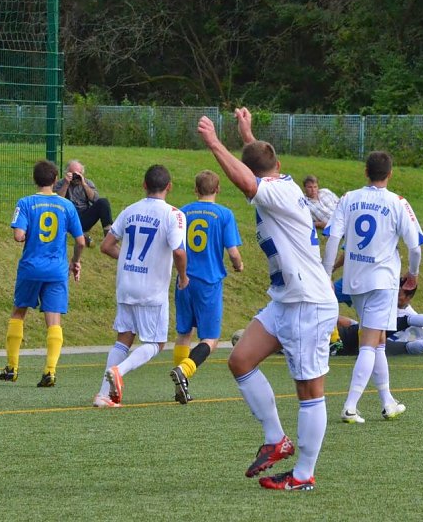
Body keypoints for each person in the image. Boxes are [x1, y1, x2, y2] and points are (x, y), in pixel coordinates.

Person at [197, 108, 338, 492]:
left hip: (309, 302)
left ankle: (303, 475)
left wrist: (213, 143)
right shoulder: (278, 178)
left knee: (309, 390)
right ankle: (277, 439)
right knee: (240, 360)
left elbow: (248, 181)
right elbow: (257, 166)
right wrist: (248, 134)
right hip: (285, 300)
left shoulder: (276, 190)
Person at [322, 150, 423, 425]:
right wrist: (413, 274)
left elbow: (333, 237)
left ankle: (387, 401)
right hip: (382, 282)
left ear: (365, 172)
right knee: (370, 343)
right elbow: (414, 247)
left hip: (355, 281)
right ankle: (350, 406)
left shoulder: (348, 198)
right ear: (390, 174)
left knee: (378, 341)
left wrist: (325, 272)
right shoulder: (397, 202)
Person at [94, 165, 189, 408]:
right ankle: (119, 371)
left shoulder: (129, 210)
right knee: (156, 343)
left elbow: (106, 246)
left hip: (126, 284)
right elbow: (178, 251)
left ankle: (103, 395)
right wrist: (183, 276)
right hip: (151, 289)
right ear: (169, 186)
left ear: (144, 185)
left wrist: (127, 258)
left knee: (124, 338)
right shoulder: (174, 214)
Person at [0, 160, 85, 388]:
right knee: (53, 319)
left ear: (34, 179)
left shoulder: (25, 203)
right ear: (55, 179)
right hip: (56, 270)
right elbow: (81, 241)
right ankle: (50, 371)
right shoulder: (66, 206)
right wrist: (75, 261)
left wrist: (28, 235)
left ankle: (12, 367)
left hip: (31, 268)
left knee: (19, 312)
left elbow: (18, 236)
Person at [170, 169, 244, 405]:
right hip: (208, 281)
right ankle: (185, 371)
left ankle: (180, 384)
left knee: (184, 333)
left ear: (195, 190)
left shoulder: (182, 212)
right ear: (218, 189)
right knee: (210, 339)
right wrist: (239, 265)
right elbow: (233, 252)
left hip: (183, 279)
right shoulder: (224, 214)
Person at [54, 159, 113, 246]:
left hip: (84, 216)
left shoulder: (87, 182)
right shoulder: (61, 183)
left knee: (103, 202)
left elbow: (95, 199)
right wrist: (66, 184)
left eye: (78, 174)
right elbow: (57, 202)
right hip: (68, 217)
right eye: (73, 174)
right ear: (67, 173)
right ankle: (81, 235)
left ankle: (108, 236)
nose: (76, 177)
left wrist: (84, 184)